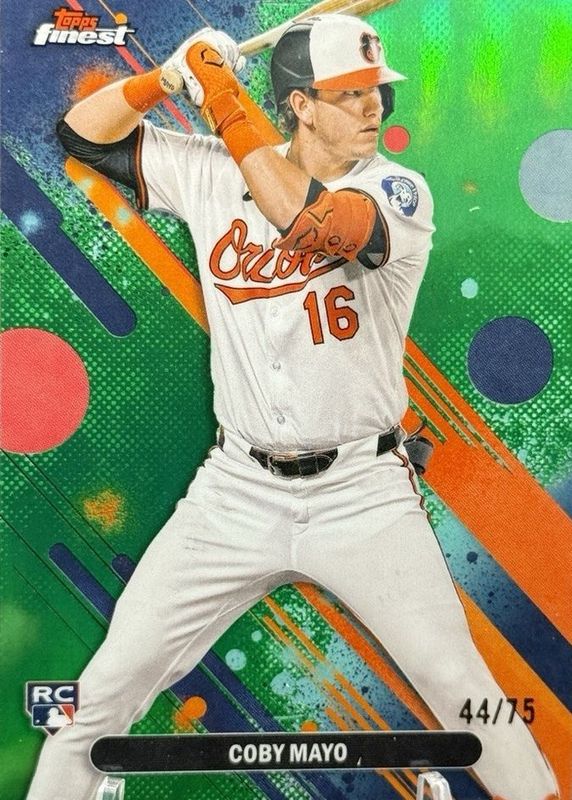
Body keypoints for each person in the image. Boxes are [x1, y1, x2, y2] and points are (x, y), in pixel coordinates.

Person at [26, 14, 560, 800]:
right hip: (235, 491)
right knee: (100, 696)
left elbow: (307, 222)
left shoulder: (395, 190)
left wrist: (218, 90)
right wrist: (161, 79)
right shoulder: (212, 171)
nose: (374, 107)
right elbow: (80, 135)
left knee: (463, 690)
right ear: (301, 105)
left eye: (376, 91)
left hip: (362, 495)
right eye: (351, 94)